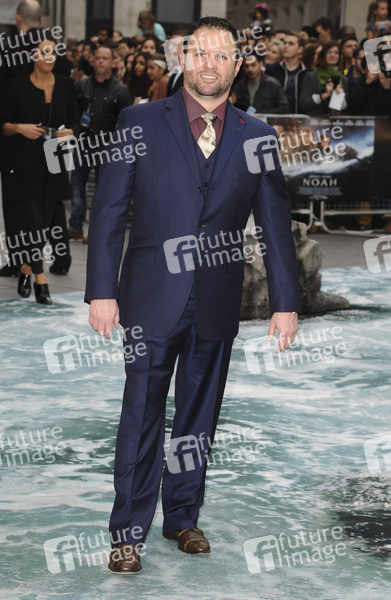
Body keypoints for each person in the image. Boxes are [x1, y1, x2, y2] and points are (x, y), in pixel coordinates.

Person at [85, 15, 300, 575]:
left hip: (217, 299)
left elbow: (275, 226)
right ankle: (127, 532)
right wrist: (100, 291)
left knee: (199, 419)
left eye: (221, 55)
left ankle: (182, 517)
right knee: (141, 414)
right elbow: (108, 211)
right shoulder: (138, 121)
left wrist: (286, 302)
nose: (209, 64)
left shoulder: (257, 135)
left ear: (237, 64)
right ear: (183, 59)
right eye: (200, 53)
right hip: (150, 296)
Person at [0, 0, 72, 278]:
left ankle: (19, 262)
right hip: (55, 138)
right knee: (55, 197)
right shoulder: (57, 50)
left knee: (17, 202)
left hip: (19, 140)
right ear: (41, 20)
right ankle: (61, 257)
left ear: (17, 20)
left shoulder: (7, 50)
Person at [0, 33, 78, 304]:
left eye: (53, 52)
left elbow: (76, 122)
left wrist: (70, 132)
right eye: (43, 52)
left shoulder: (66, 85)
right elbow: (2, 125)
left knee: (43, 222)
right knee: (33, 219)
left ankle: (25, 268)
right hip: (25, 162)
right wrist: (20, 128)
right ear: (33, 56)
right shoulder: (16, 85)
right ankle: (40, 278)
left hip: (56, 161)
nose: (49, 57)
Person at [67, 45, 132, 242]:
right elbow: (74, 114)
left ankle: (95, 230)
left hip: (107, 146)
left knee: (102, 190)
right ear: (92, 60)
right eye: (98, 58)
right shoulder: (82, 85)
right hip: (83, 141)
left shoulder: (121, 90)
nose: (101, 61)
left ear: (113, 62)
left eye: (105, 58)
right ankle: (75, 226)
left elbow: (127, 122)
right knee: (76, 186)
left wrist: (116, 143)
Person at [299, 41, 348, 116]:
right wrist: (324, 95)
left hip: (335, 121)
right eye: (328, 52)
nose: (332, 55)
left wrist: (339, 96)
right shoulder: (311, 77)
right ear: (323, 55)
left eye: (336, 52)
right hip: (314, 120)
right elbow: (304, 104)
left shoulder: (344, 80)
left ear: (340, 56)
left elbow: (344, 109)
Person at [265, 31, 307, 113]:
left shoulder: (307, 72)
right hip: (275, 117)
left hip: (301, 118)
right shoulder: (272, 69)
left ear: (300, 49)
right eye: (285, 43)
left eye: (291, 44)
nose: (286, 46)